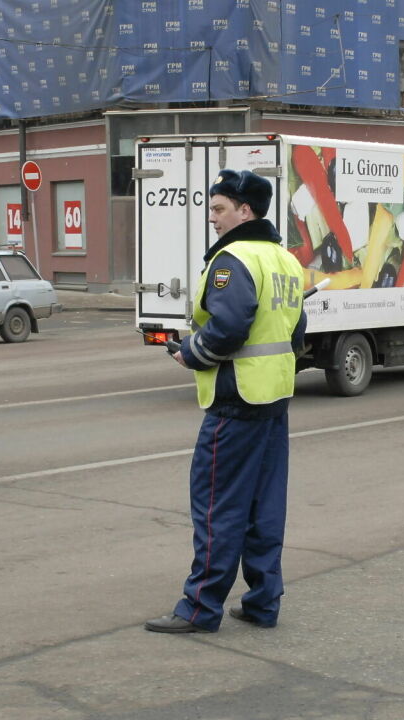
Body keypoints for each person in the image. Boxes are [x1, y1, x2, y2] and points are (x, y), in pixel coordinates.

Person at [144, 169, 307, 634]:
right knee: (264, 507)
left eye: (218, 209)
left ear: (245, 211)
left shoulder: (231, 260)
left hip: (235, 402)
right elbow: (297, 333)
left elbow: (231, 326)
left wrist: (192, 353)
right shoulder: (284, 259)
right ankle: (262, 603)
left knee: (217, 506)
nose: (212, 218)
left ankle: (199, 609)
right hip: (274, 399)